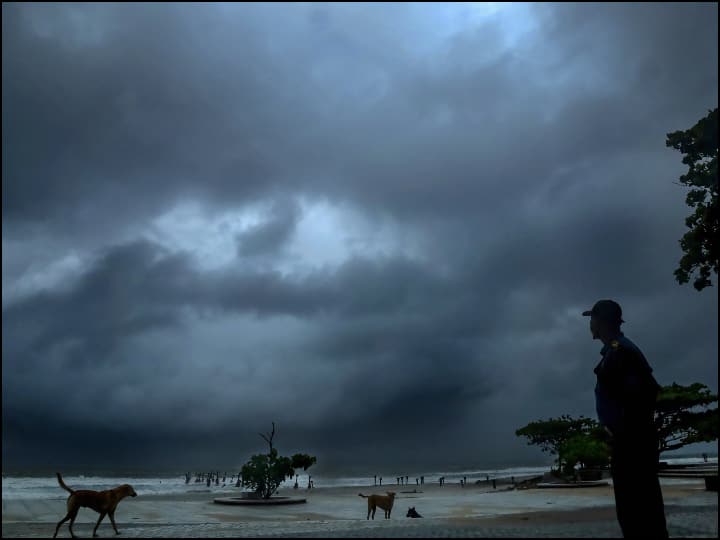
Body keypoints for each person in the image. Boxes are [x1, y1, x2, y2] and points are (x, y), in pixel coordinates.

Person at [583, 299, 668, 538]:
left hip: (632, 445)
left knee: (638, 514)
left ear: (600, 322)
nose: (590, 325)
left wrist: (622, 432)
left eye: (592, 319)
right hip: (631, 443)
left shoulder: (621, 352)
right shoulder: (615, 350)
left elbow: (642, 395)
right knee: (636, 513)